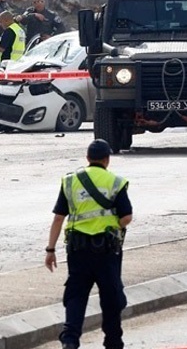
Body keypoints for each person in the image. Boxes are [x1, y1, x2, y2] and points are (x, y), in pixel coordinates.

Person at [45, 139, 133, 349]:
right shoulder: (115, 182)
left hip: (78, 250)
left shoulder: (70, 181)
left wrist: (50, 250)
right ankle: (113, 342)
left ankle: (70, 340)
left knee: (76, 296)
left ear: (87, 158)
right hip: (106, 251)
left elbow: (58, 218)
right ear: (107, 159)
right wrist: (113, 226)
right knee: (111, 297)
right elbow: (126, 217)